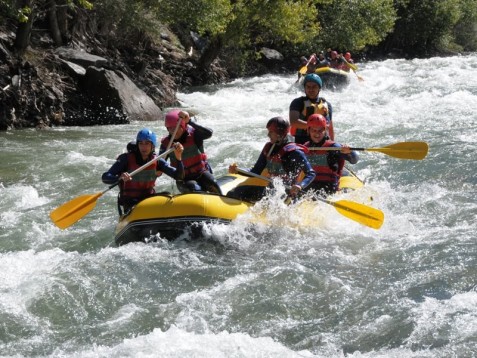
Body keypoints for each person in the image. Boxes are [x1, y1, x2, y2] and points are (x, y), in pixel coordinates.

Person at [227, 117, 315, 202]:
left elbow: (311, 173)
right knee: (234, 193)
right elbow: (256, 171)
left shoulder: (295, 152)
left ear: (279, 133)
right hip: (271, 190)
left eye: (271, 132)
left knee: (273, 201)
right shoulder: (269, 148)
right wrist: (237, 170)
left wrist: (300, 185)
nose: (268, 135)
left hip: (288, 193)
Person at [102, 128, 184, 215]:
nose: (143, 147)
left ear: (152, 146)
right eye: (141, 143)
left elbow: (179, 177)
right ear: (138, 145)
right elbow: (105, 177)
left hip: (149, 199)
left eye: (147, 143)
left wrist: (178, 158)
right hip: (130, 202)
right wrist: (119, 178)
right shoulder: (125, 159)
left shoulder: (157, 160)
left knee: (167, 196)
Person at [160, 109, 222, 194]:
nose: (172, 131)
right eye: (169, 128)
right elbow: (160, 165)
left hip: (201, 173)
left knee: (214, 185)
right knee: (195, 188)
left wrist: (189, 121)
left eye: (175, 127)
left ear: (182, 125)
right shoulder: (166, 144)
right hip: (184, 180)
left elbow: (209, 133)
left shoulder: (195, 135)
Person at [303, 114, 358, 196]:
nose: (317, 134)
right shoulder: (305, 147)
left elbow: (354, 160)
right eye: (314, 130)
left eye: (320, 130)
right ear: (308, 130)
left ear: (325, 130)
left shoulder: (333, 147)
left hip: (328, 188)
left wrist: (349, 152)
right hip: (309, 187)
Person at [289, 73, 334, 144]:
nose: (311, 89)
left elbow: (330, 127)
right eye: (308, 87)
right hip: (302, 141)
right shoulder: (298, 102)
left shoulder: (327, 105)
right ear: (305, 88)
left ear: (319, 88)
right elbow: (293, 121)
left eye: (314, 87)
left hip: (323, 141)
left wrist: (332, 143)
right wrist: (315, 127)